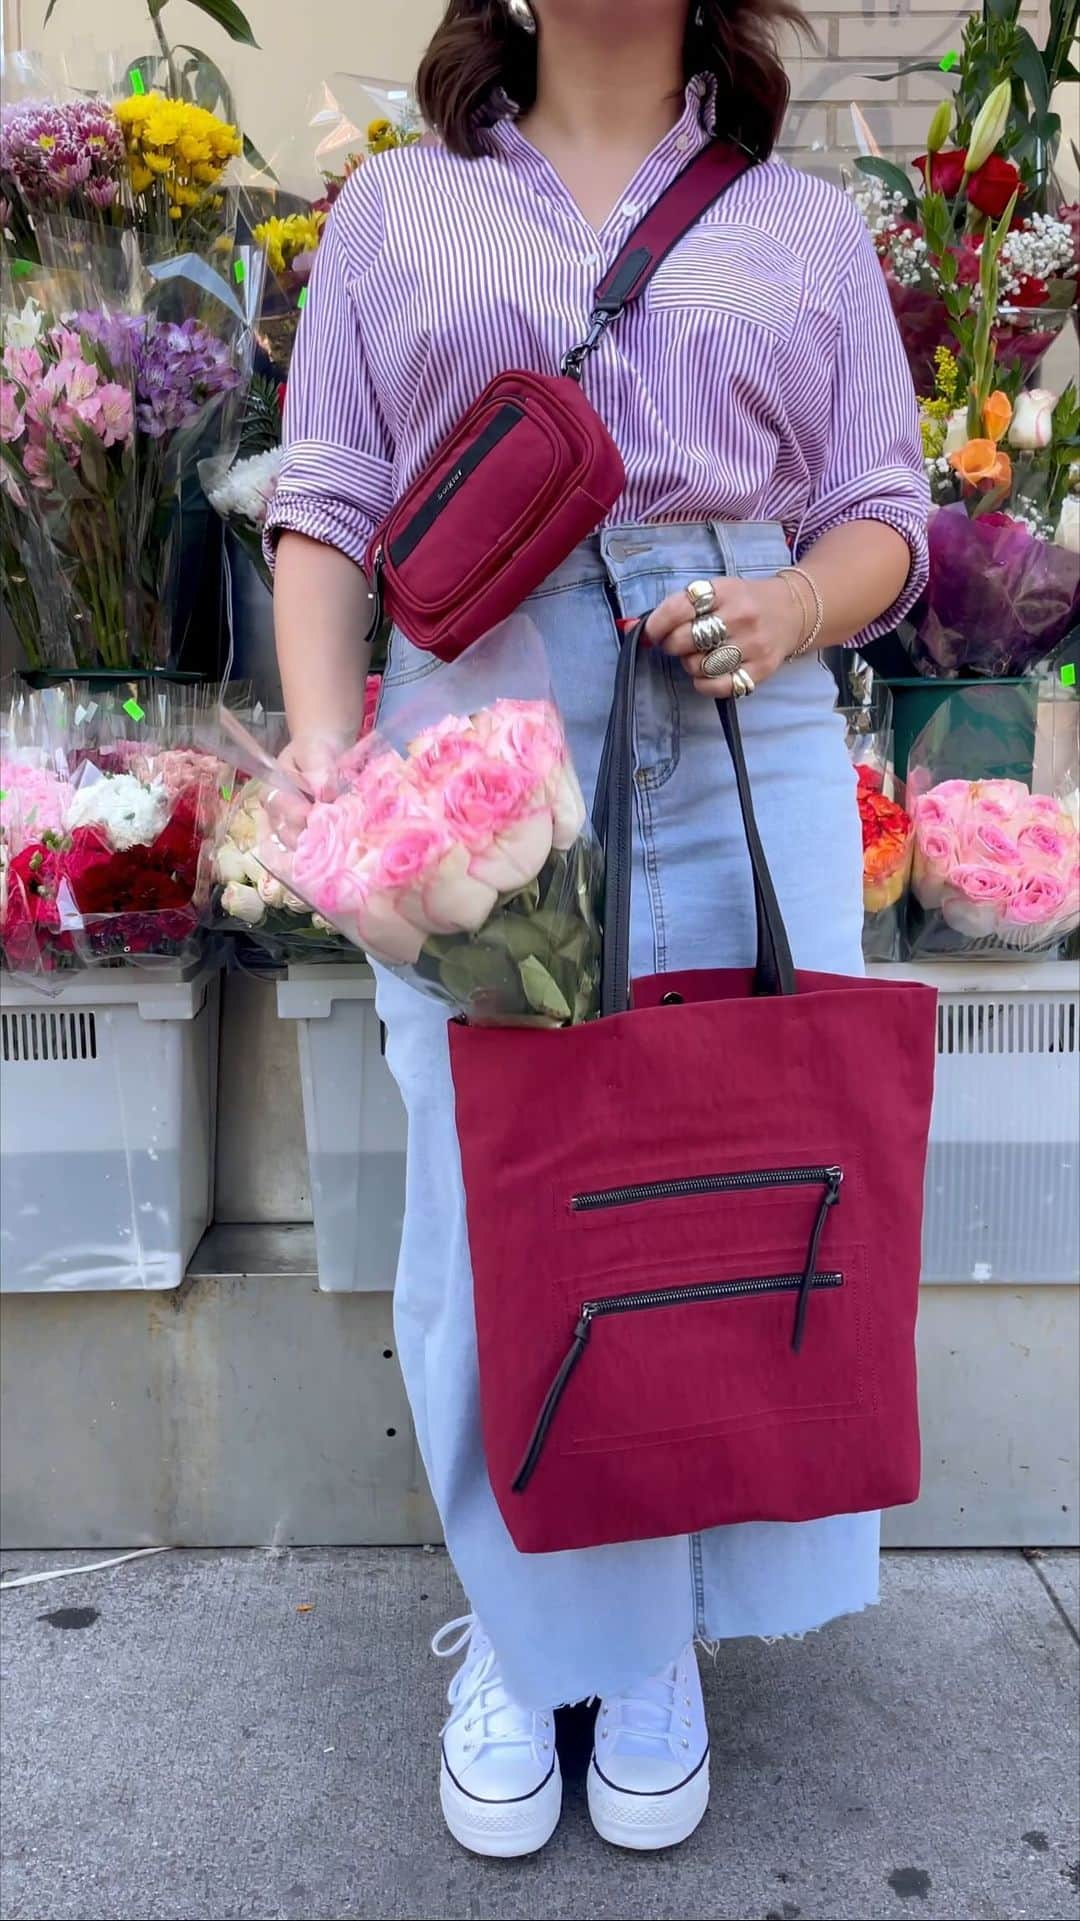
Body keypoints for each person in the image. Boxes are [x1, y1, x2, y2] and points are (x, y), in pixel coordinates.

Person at [266, 0, 930, 1861]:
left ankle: (659, 1642)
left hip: (747, 720)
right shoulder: (400, 210)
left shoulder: (802, 225)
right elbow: (325, 496)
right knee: (500, 1208)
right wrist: (329, 754)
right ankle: (542, 1632)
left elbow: (888, 509)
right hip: (477, 731)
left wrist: (795, 604)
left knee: (734, 1163)